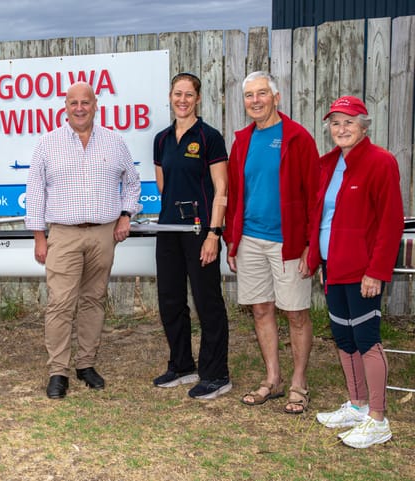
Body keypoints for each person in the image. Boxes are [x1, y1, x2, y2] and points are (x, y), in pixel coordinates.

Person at [25, 81, 142, 399]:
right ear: (65, 106)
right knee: (60, 303)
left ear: (95, 104)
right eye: (73, 102)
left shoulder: (114, 142)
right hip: (63, 234)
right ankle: (58, 371)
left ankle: (86, 365)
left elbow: (132, 183)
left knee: (93, 299)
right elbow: (35, 192)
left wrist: (125, 214)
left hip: (104, 234)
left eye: (85, 102)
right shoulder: (48, 143)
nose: (80, 108)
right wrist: (39, 237)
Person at [307, 96, 403, 448]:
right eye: (335, 122)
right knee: (343, 339)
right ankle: (358, 405)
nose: (341, 129)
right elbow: (322, 217)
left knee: (367, 341)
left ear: (364, 125)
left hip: (364, 271)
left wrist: (376, 271)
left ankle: (378, 419)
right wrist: (320, 261)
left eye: (349, 122)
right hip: (334, 267)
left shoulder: (381, 162)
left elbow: (390, 223)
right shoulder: (328, 164)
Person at [224, 71, 319, 414]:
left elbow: (315, 197)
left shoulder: (298, 138)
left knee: (295, 313)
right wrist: (231, 241)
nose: (255, 101)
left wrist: (311, 245)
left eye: (261, 94)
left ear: (276, 98)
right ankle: (273, 379)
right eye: (249, 95)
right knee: (261, 309)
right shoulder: (242, 141)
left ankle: (299, 383)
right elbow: (235, 195)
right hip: (250, 240)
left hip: (289, 244)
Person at [152, 73, 231, 399]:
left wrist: (214, 233)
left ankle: (216, 374)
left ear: (198, 98)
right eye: (177, 94)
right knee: (170, 300)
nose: (182, 100)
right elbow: (162, 185)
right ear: (170, 96)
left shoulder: (209, 137)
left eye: (189, 94)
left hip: (200, 232)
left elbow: (221, 188)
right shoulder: (162, 139)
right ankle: (182, 364)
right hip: (169, 229)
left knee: (206, 301)